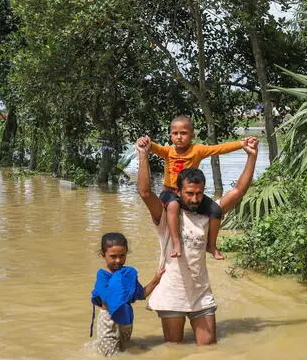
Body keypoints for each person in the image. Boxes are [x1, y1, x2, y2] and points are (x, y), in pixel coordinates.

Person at [136, 135, 258, 345]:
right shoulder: (165, 215)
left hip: (200, 292)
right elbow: (145, 192)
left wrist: (251, 158)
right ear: (179, 192)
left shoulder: (208, 213)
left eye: (199, 194)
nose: (194, 199)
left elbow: (238, 191)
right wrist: (143, 156)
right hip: (172, 291)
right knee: (174, 348)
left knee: (209, 346)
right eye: (190, 193)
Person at [140, 115, 255, 260]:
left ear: (192, 135)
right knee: (173, 205)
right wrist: (145, 142)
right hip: (169, 193)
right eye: (175, 133)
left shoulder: (197, 150)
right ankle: (176, 242)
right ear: (170, 136)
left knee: (216, 210)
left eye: (183, 133)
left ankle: (211, 246)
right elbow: (151, 147)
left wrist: (242, 144)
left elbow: (219, 149)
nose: (179, 137)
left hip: (189, 194)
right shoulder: (167, 151)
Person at [90, 232, 164, 356]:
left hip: (126, 318)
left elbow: (142, 294)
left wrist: (156, 279)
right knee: (110, 355)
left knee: (125, 349)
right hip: (109, 319)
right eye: (113, 256)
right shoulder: (102, 276)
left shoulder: (128, 275)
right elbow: (106, 296)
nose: (118, 260)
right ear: (103, 255)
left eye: (122, 256)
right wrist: (119, 283)